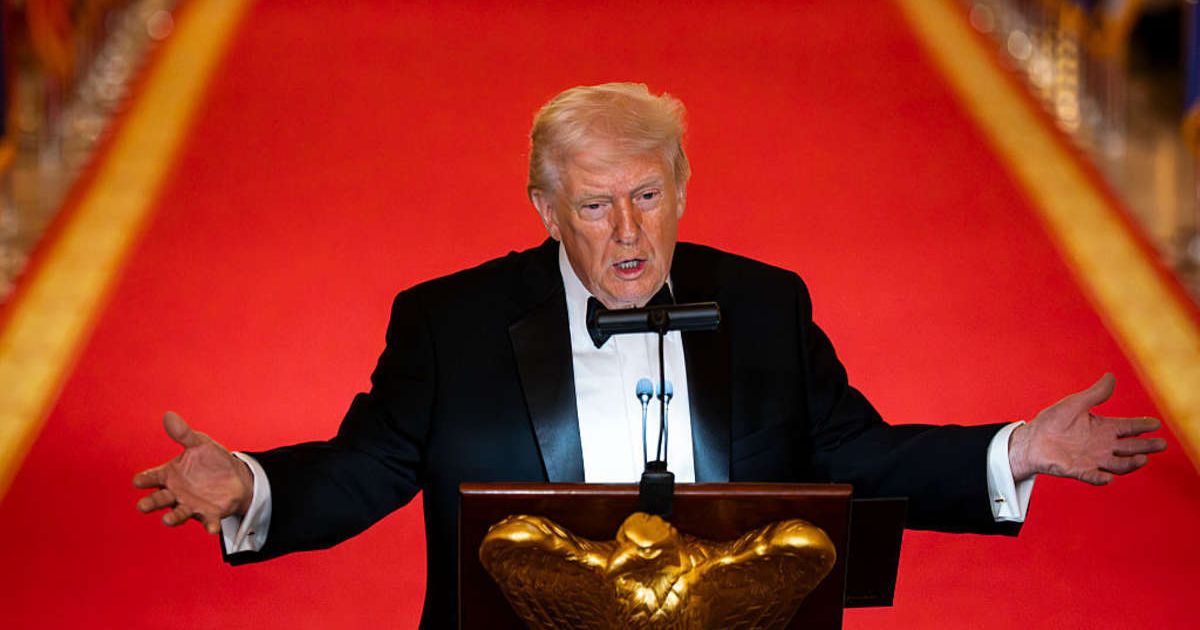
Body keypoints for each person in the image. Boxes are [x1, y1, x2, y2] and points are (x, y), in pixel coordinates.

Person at [133, 83, 1167, 626]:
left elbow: (853, 450)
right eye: (593, 205)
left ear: (682, 187)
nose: (627, 233)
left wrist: (1015, 452)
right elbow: (366, 469)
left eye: (648, 197)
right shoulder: (450, 325)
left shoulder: (764, 303)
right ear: (543, 209)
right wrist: (250, 489)